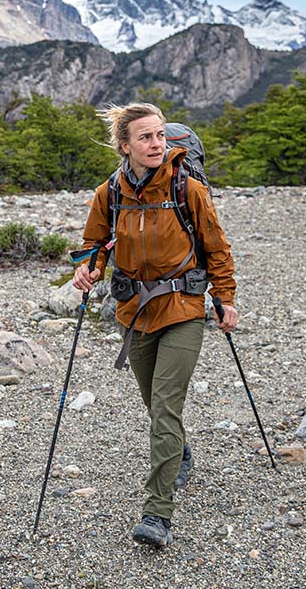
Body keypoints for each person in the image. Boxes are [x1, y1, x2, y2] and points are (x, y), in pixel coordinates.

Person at [72, 102, 238, 548]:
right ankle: (178, 451)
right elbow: (95, 243)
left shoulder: (188, 190)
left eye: (161, 135)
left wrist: (224, 299)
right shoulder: (110, 193)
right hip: (133, 313)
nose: (156, 144)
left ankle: (157, 514)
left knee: (164, 407)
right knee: (155, 404)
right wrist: (87, 268)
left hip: (183, 308)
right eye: (145, 137)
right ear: (124, 145)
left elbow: (217, 250)